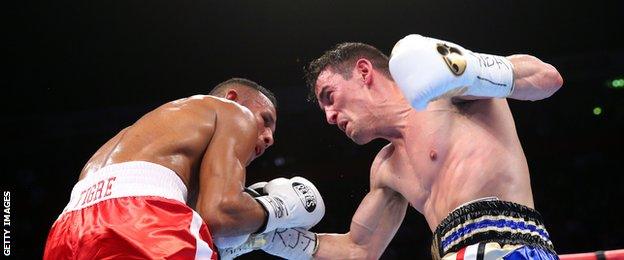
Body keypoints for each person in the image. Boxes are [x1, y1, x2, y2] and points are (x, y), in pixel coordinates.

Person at [226, 35, 564, 259]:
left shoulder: (447, 89)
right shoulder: (386, 167)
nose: (329, 116)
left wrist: (468, 67)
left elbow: (547, 78)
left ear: (363, 72)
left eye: (330, 97)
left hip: (515, 247)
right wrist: (269, 234)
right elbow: (359, 249)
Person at [43, 78, 325, 259]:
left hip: (66, 232)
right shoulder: (232, 112)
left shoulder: (139, 138)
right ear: (232, 97)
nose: (268, 137)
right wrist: (276, 209)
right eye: (265, 120)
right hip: (141, 220)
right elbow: (221, 212)